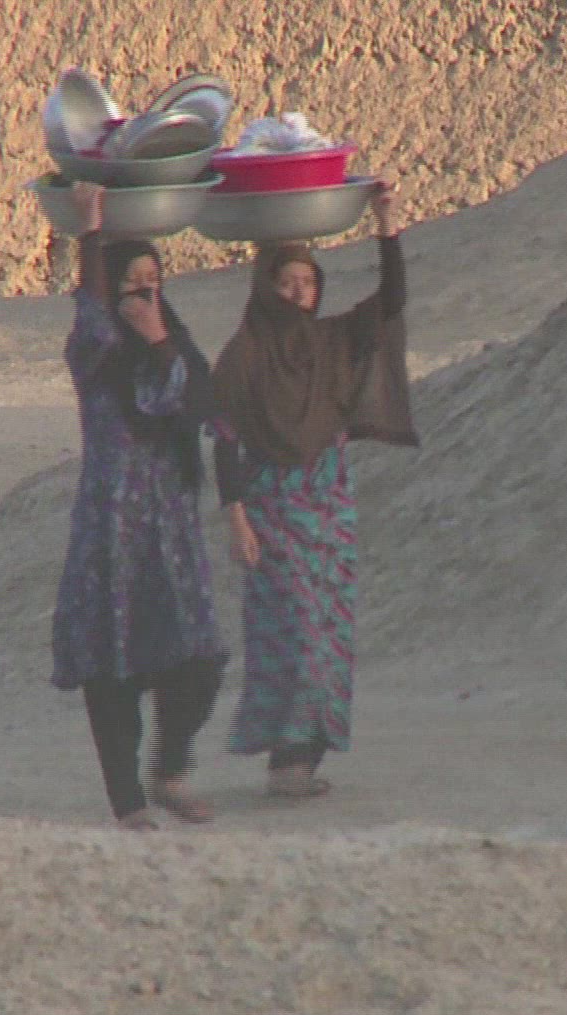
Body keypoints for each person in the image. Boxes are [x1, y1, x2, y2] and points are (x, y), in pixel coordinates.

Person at [210, 179, 418, 798]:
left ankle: (299, 762)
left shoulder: (331, 341)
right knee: (293, 631)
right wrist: (236, 519)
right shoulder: (245, 354)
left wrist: (386, 225)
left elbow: (392, 300)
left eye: (309, 282)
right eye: (288, 283)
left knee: (329, 632)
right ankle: (285, 756)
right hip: (272, 507)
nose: (302, 293)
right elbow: (224, 440)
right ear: (266, 288)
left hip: (329, 505)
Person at [49, 180, 228, 830]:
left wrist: (158, 340)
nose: (146, 294)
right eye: (132, 283)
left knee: (200, 657)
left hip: (169, 529)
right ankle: (127, 802)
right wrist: (91, 229)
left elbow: (196, 404)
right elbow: (93, 312)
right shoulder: (94, 353)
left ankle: (170, 770)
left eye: (155, 282)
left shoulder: (172, 346)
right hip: (112, 531)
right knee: (112, 665)